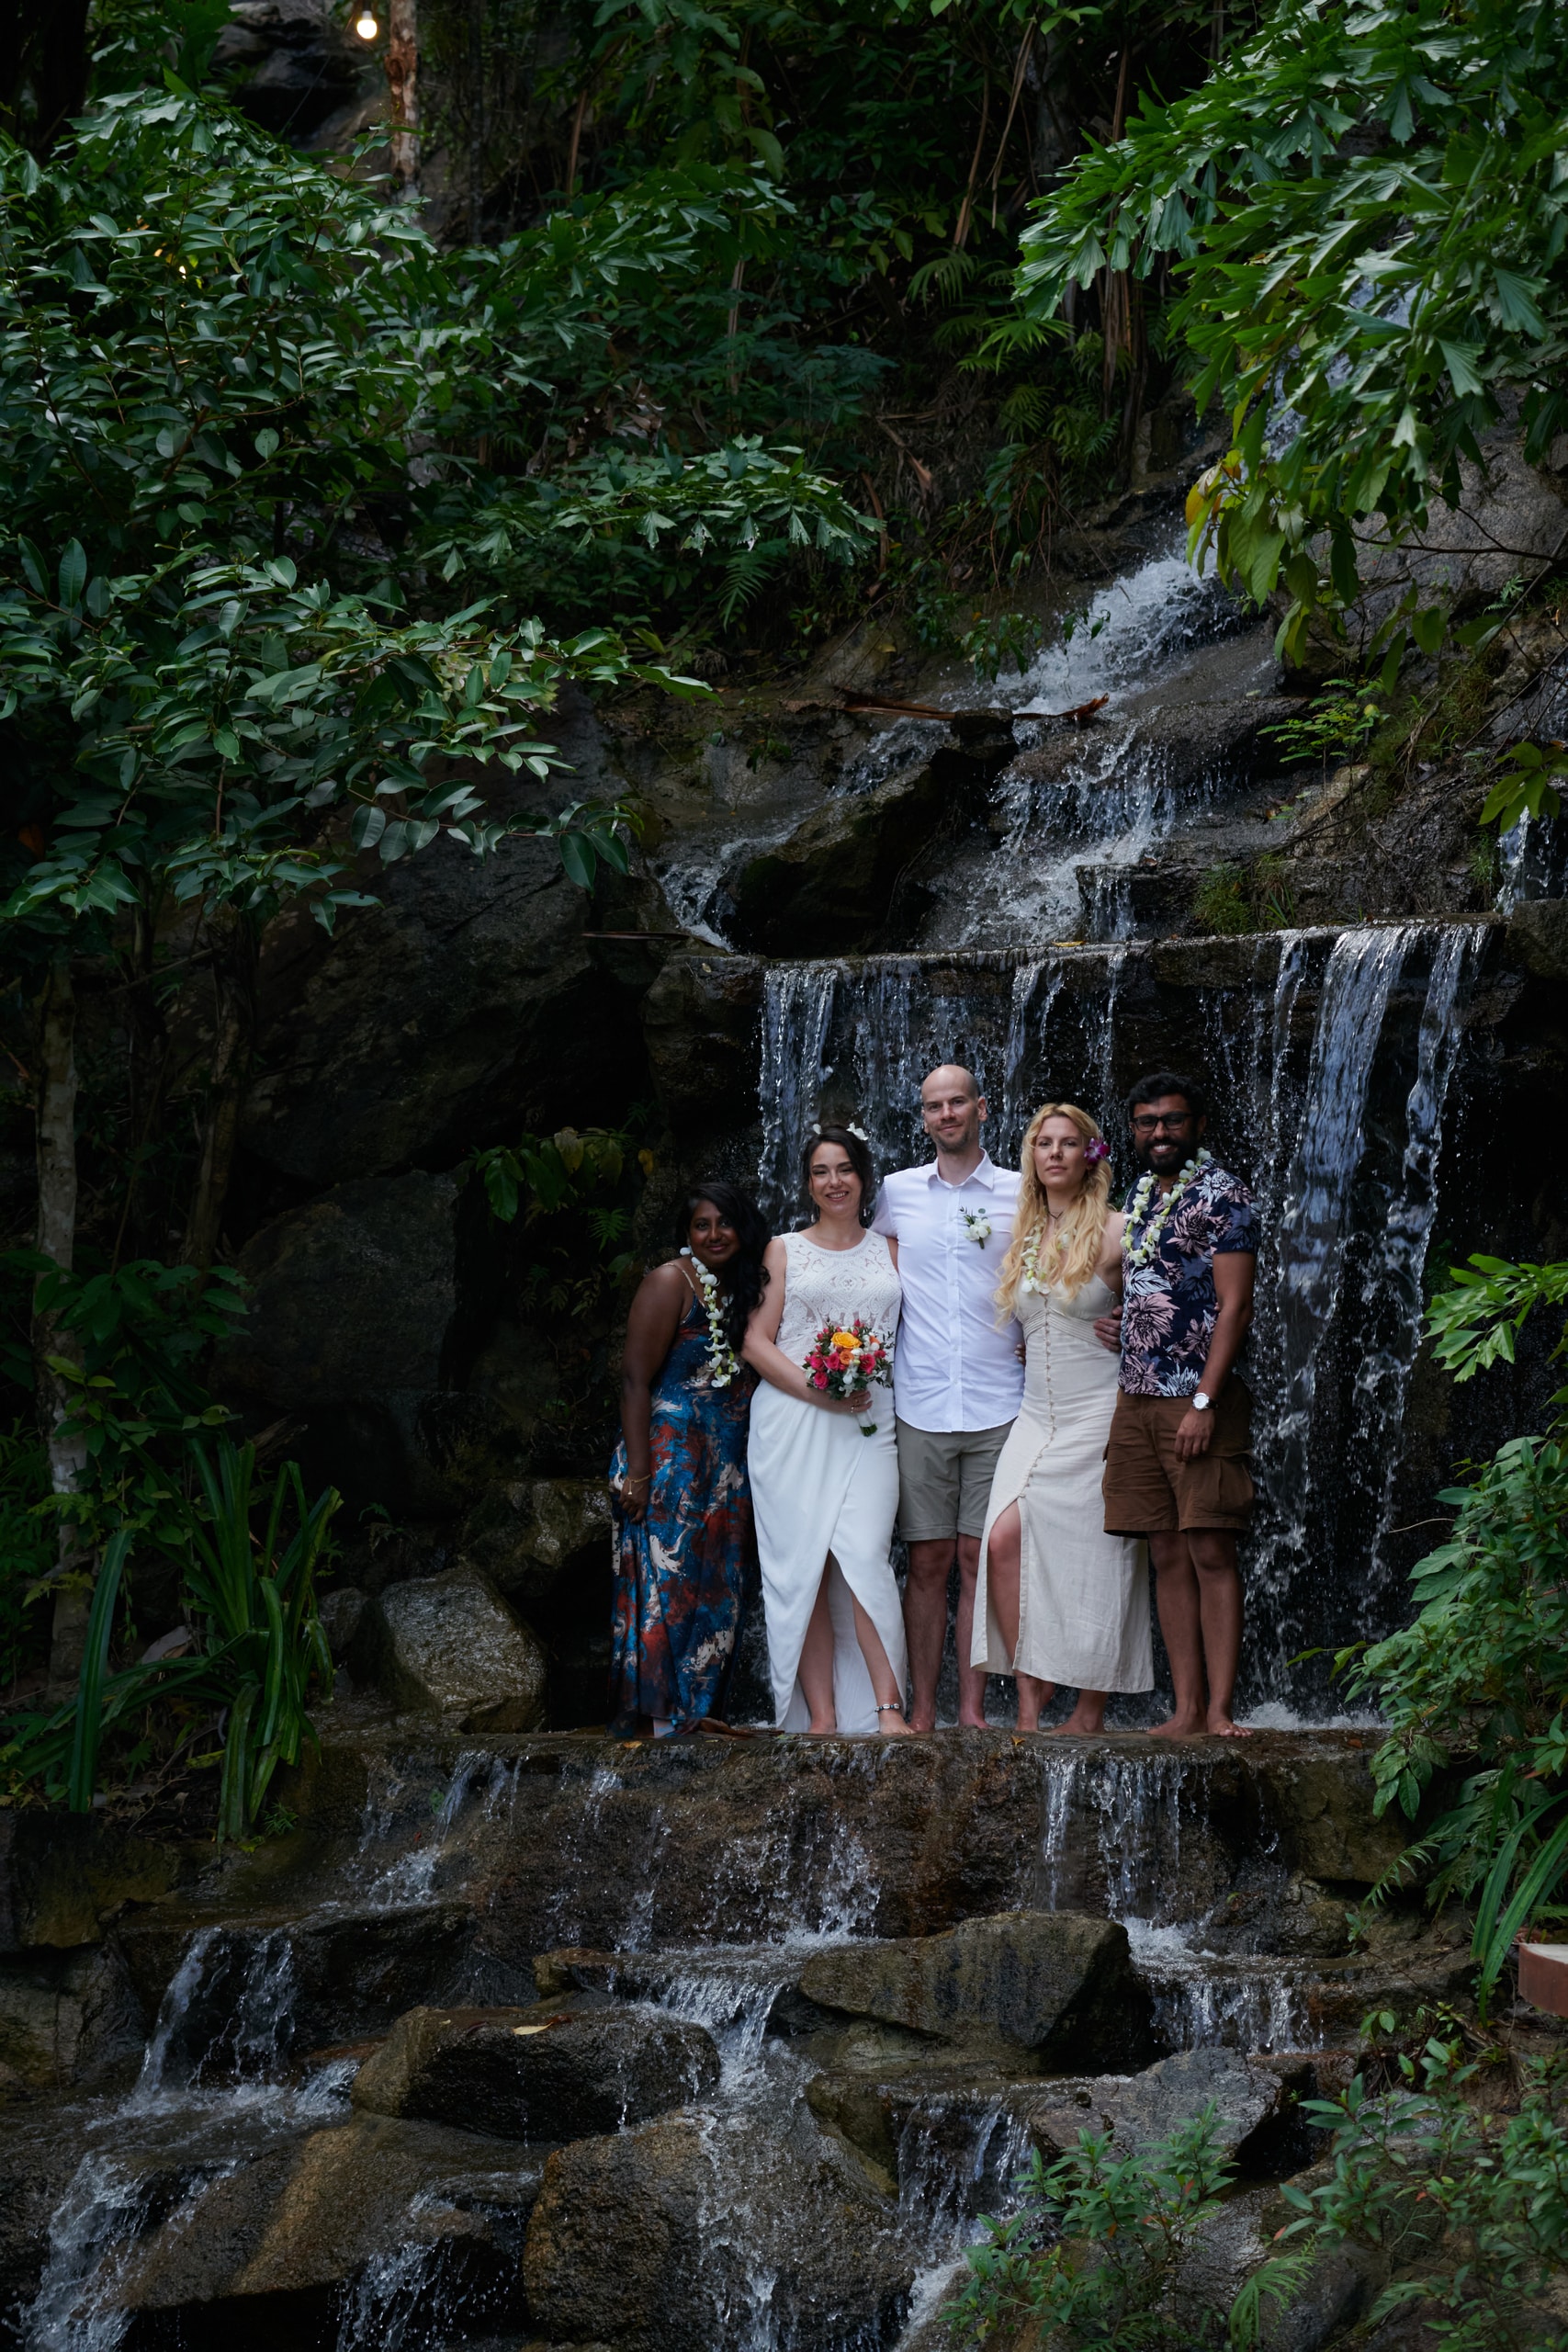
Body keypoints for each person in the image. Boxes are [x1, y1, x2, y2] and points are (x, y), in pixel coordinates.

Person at [972, 1104, 1153, 1732]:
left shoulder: (1116, 1231)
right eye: (1043, 1143)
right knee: (1001, 1538)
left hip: (1098, 1412)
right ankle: (1030, 1693)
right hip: (1035, 1413)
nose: (1054, 1154)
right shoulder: (1023, 1233)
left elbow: (1173, 1309)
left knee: (1099, 1556)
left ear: (1089, 1155)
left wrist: (1128, 1327)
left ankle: (1089, 1707)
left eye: (1067, 1143)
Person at [1101, 1070, 1258, 1739]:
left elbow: (1235, 1305)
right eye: (1145, 1122)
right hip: (1135, 1397)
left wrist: (1203, 1399)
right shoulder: (1139, 1194)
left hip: (1195, 1401)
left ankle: (1219, 1711)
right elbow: (1154, 1284)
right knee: (1164, 1553)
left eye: (1170, 1120)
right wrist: (1119, 1318)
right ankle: (1184, 1709)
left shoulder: (1223, 1195)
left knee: (1209, 1553)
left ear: (1195, 1125)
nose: (1158, 1133)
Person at [743, 1125, 913, 1735]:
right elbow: (754, 1343)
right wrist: (817, 1389)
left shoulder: (891, 1251)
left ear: (863, 1177)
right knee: (806, 1568)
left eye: (843, 1169)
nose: (833, 1182)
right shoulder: (783, 1249)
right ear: (808, 1182)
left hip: (868, 1424)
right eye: (820, 1171)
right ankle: (820, 1716)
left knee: (866, 1557)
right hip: (791, 1426)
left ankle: (887, 1709)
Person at [872, 1065, 1021, 1731]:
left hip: (1001, 1401)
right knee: (927, 1560)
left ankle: (971, 1709)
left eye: (957, 1101)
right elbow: (867, 1282)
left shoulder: (1022, 1192)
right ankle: (922, 1709)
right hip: (921, 1401)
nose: (946, 1113)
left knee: (978, 1558)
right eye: (934, 1106)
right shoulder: (896, 1193)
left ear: (981, 1109)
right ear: (924, 1117)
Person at [609, 1182, 768, 1736]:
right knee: (665, 1587)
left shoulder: (745, 1289)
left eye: (725, 1223)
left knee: (716, 1584)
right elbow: (633, 1380)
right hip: (667, 1458)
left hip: (725, 1465)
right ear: (686, 1233)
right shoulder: (668, 1283)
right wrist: (637, 1472)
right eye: (702, 1225)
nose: (714, 1235)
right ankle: (659, 1718)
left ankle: (699, 1714)